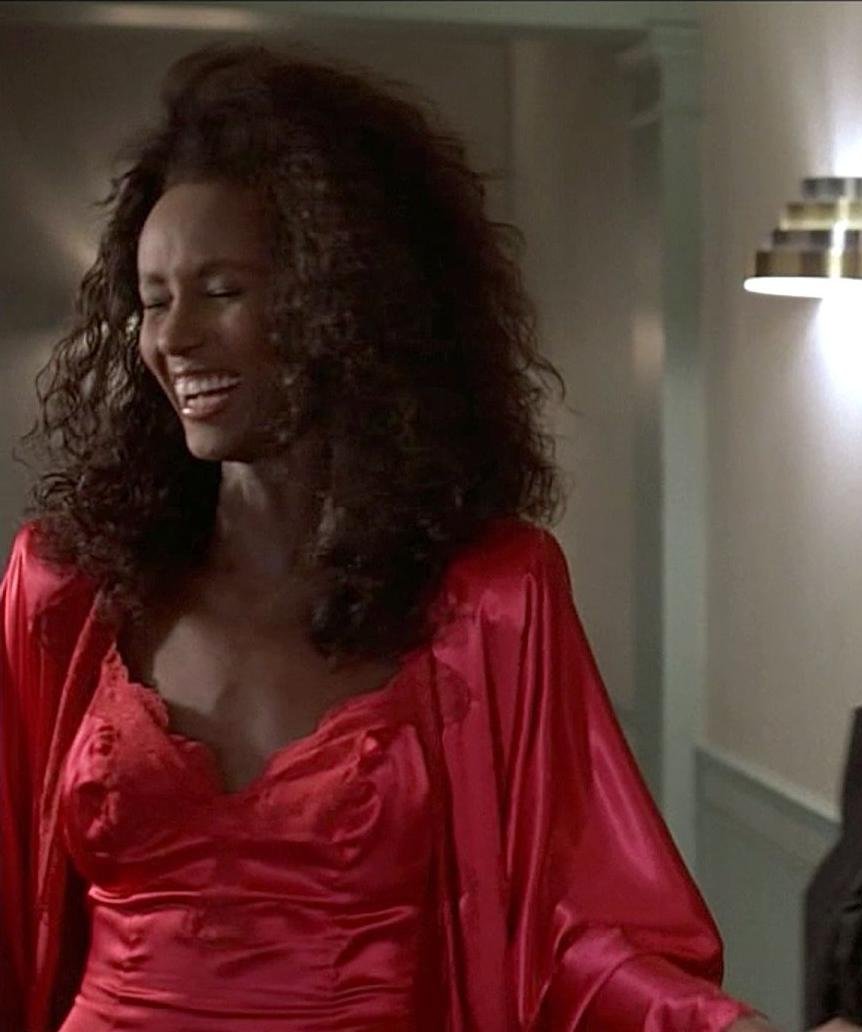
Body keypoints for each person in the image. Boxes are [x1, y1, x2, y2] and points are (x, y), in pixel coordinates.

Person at [0, 44, 775, 1032]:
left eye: (221, 290)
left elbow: (575, 929)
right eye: (154, 301)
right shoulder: (66, 590)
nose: (174, 337)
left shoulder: (489, 597)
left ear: (341, 305)